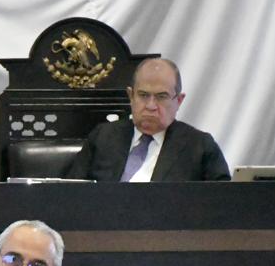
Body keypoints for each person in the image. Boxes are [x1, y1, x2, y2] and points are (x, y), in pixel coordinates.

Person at [64, 58, 230, 182]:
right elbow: (70, 193)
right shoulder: (103, 137)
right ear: (131, 96)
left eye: (161, 96)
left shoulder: (200, 147)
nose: (151, 106)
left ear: (179, 101)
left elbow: (223, 202)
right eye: (143, 95)